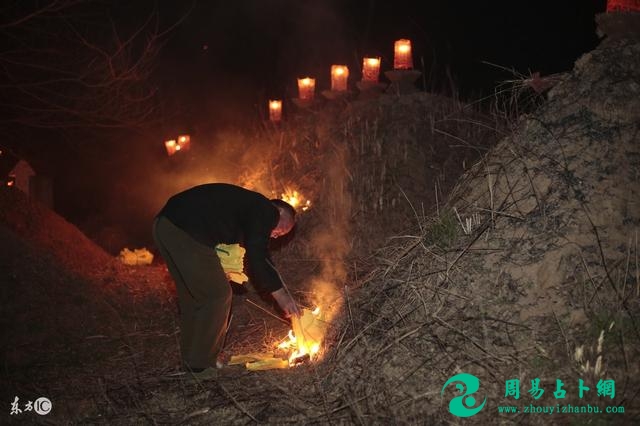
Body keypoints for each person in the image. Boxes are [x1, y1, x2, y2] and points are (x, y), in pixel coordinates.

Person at [153, 183, 299, 378]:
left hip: (165, 225)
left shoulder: (246, 209)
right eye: (282, 229)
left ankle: (192, 361)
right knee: (218, 295)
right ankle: (202, 366)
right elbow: (258, 256)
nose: (276, 234)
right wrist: (282, 296)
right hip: (187, 229)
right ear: (279, 211)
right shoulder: (266, 209)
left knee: (193, 298)